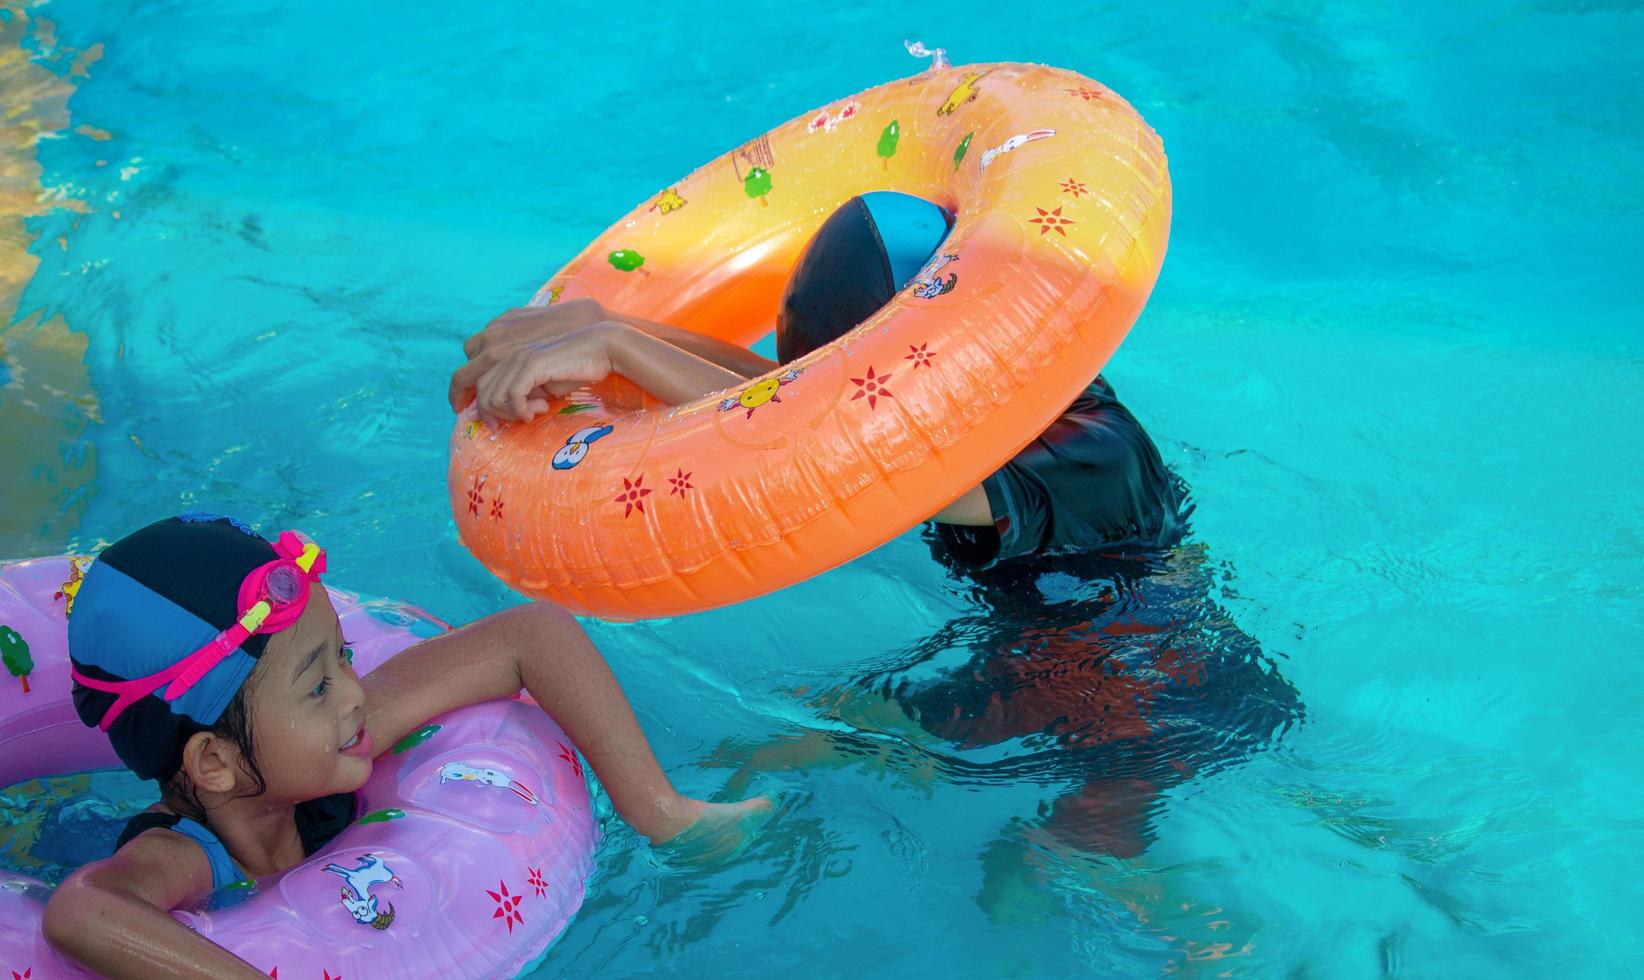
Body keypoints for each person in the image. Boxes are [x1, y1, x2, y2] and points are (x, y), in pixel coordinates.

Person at [42, 514, 768, 979]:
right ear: (214, 764)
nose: (355, 693)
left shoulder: (326, 750)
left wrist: (659, 811)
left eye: (345, 656)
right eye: (318, 686)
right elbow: (81, 912)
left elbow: (531, 635)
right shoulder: (185, 853)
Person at [448, 192, 1190, 567]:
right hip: (1030, 650)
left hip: (1144, 682)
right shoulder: (997, 384)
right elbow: (790, 398)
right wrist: (617, 325)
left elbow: (830, 449)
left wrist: (614, 349)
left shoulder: (1093, 454)